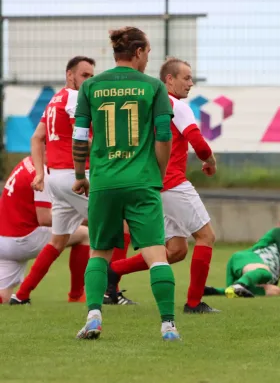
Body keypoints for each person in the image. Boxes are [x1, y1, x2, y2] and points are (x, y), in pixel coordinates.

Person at [72, 26, 179, 341]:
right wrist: (157, 175)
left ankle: (93, 316)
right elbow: (163, 136)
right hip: (142, 181)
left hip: (103, 182)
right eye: (148, 52)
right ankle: (168, 326)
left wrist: (81, 175)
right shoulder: (154, 87)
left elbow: (80, 137)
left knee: (99, 252)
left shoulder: (91, 86)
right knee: (157, 254)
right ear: (140, 52)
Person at [104, 57, 219, 314]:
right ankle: (193, 303)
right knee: (206, 237)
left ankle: (112, 272)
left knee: (176, 250)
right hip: (172, 182)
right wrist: (210, 161)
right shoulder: (176, 105)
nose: (191, 83)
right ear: (169, 79)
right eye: (186, 78)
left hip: (149, 184)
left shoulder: (147, 104)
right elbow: (199, 145)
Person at [10, 56, 113, 305]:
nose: (89, 80)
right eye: (84, 75)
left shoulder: (55, 99)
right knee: (113, 229)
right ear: (70, 75)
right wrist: (112, 149)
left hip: (57, 178)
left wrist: (39, 173)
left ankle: (21, 296)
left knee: (58, 240)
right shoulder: (76, 99)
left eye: (92, 76)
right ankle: (109, 293)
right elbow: (83, 141)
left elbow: (37, 138)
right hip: (77, 177)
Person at [1, 157, 89, 304]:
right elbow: (45, 218)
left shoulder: (27, 162)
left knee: (3, 298)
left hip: (4, 239)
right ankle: (76, 295)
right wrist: (83, 217)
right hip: (22, 238)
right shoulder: (43, 174)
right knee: (85, 235)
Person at [205, 212, 280, 298]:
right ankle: (239, 285)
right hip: (246, 259)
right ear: (279, 226)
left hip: (246, 269)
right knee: (265, 273)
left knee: (273, 290)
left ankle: (213, 291)